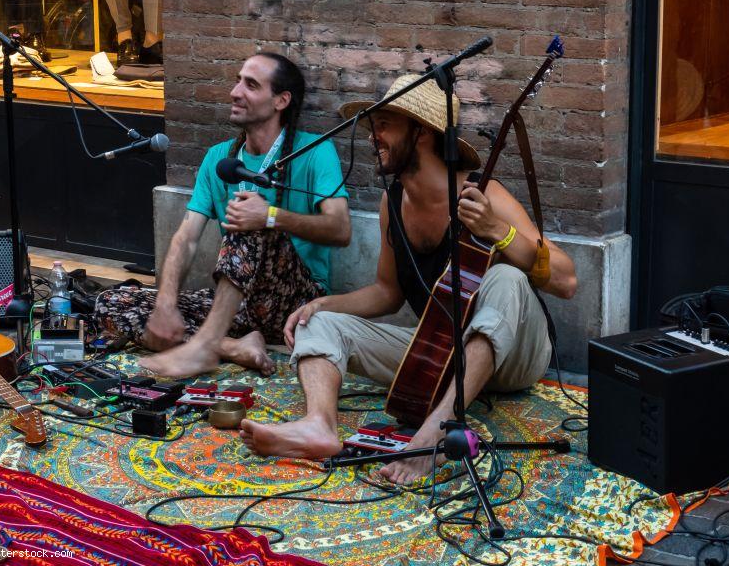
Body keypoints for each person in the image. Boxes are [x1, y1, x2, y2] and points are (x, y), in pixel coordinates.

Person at [240, 75, 578, 484]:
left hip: (514, 358)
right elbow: (388, 292)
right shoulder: (392, 200)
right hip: (441, 353)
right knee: (321, 323)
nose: (373, 137)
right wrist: (321, 305)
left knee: (506, 276)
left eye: (384, 125)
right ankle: (318, 425)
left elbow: (565, 279)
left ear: (420, 133)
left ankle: (432, 436)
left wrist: (497, 231)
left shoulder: (484, 194)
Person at [95, 53, 351, 378]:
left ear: (281, 101)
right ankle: (233, 346)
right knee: (111, 303)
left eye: (251, 85)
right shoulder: (219, 157)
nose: (235, 92)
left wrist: (270, 216)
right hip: (236, 307)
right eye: (237, 80)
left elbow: (340, 229)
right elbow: (187, 238)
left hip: (295, 303)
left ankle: (204, 347)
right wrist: (166, 304)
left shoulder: (315, 151)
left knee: (249, 213)